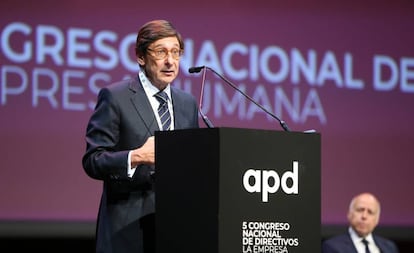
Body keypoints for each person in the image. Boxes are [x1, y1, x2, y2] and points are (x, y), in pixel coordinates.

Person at [82, 20, 199, 253]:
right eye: (161, 52)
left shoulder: (187, 103)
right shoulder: (116, 97)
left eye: (176, 53)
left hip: (174, 229)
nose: (170, 61)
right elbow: (93, 160)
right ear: (141, 57)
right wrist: (135, 157)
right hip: (126, 231)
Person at [322, 192, 399, 253]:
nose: (364, 216)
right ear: (349, 214)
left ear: (377, 219)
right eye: (360, 210)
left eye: (370, 212)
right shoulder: (332, 246)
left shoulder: (389, 247)